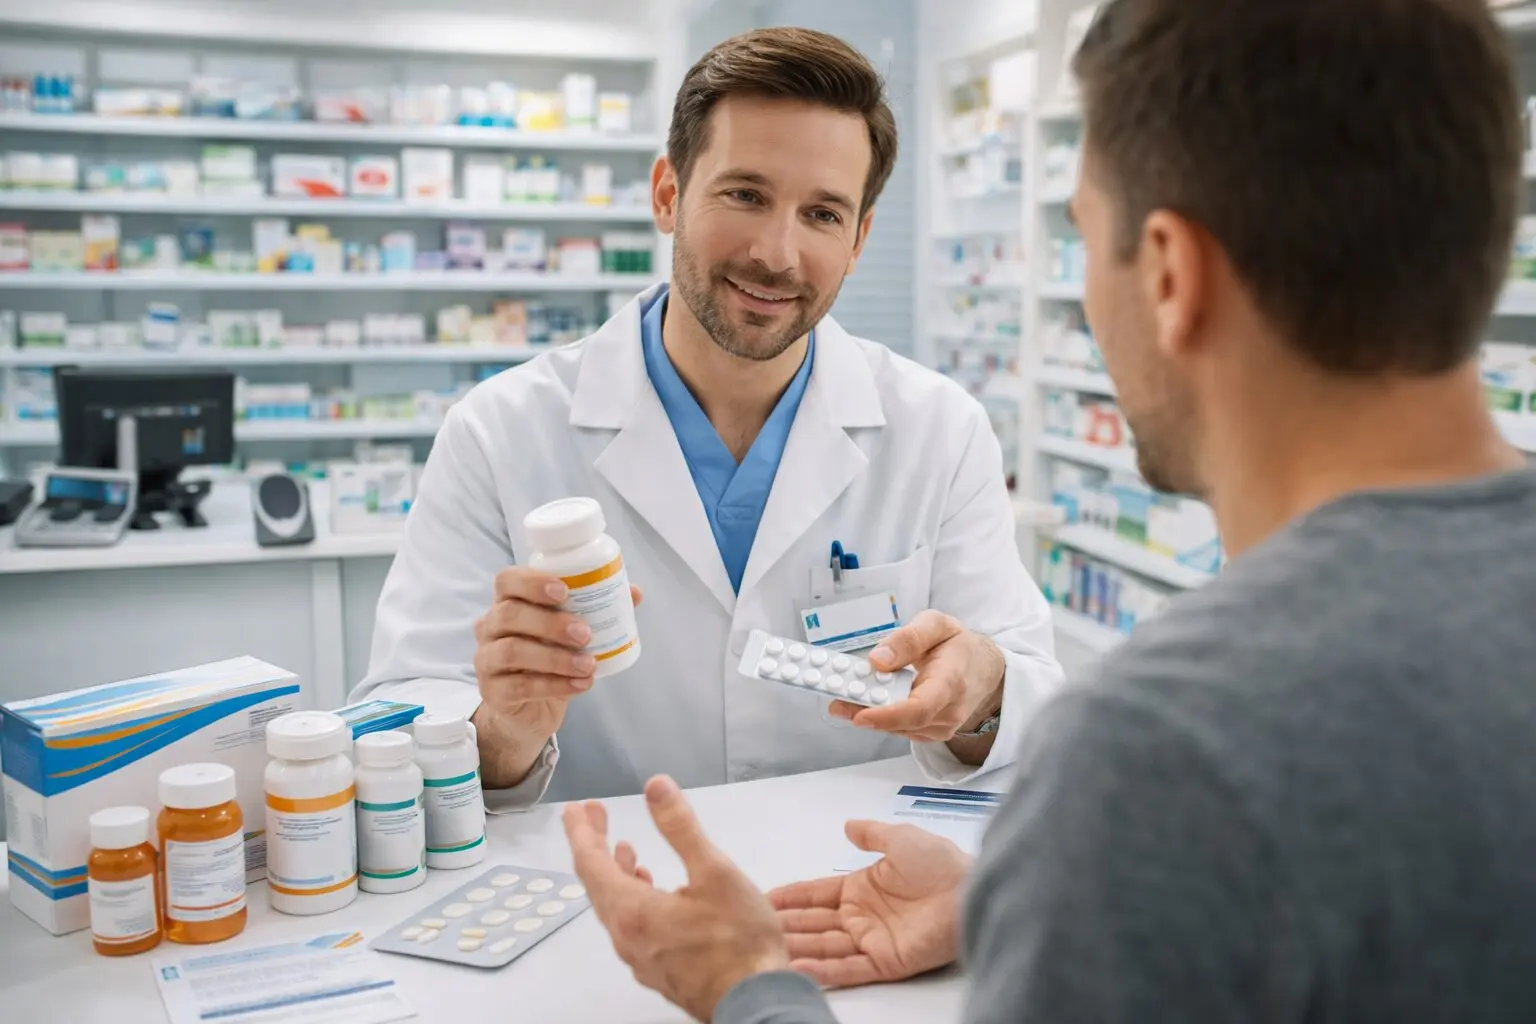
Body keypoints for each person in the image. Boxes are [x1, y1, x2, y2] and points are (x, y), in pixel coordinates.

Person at [562, 0, 1536, 1021]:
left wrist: (747, 990)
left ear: (1168, 273)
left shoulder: (1166, 751)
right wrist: (1008, 900)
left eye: (1083, 235)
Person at [349, 26, 1064, 811]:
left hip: (850, 890)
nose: (777, 254)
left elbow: (1027, 692)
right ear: (668, 194)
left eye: (823, 214)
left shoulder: (940, 431)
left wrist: (982, 693)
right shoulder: (499, 431)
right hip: (597, 896)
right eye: (745, 194)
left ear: (859, 239)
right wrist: (505, 731)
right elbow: (402, 713)